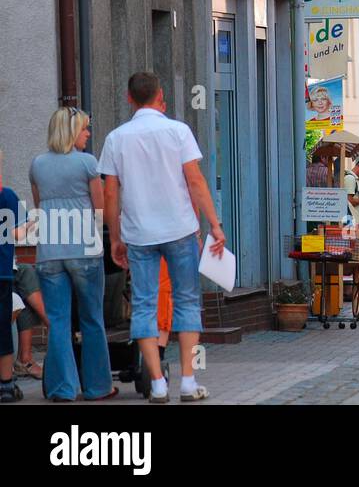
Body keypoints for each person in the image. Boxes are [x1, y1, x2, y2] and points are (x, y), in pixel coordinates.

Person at [101, 72, 225, 403]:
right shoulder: (178, 131)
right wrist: (214, 224)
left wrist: (115, 237)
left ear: (129, 98)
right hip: (180, 229)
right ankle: (187, 380)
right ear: (160, 97)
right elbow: (195, 181)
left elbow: (110, 194)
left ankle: (156, 382)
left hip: (139, 233)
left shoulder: (116, 138)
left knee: (143, 305)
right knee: (186, 301)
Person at [30, 106, 115, 401]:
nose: (88, 134)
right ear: (71, 132)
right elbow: (100, 209)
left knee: (58, 321)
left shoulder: (37, 164)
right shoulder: (87, 163)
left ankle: (63, 389)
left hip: (49, 252)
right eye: (84, 129)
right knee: (92, 319)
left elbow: (40, 206)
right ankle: (97, 387)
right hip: (84, 250)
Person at [1, 149, 26, 402]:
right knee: (3, 329)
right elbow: (18, 235)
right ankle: (6, 385)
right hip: (2, 273)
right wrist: (30, 223)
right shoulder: (6, 195)